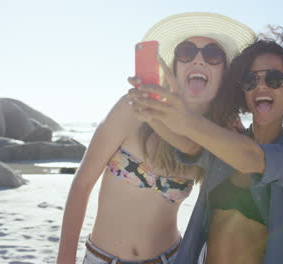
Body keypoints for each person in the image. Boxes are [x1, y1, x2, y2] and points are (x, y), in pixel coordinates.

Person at [56, 12, 255, 264]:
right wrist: (65, 259)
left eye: (212, 55)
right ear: (175, 66)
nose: (198, 60)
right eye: (186, 52)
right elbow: (82, 184)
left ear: (224, 74)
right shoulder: (135, 108)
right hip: (102, 259)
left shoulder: (219, 137)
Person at [128, 28, 283, 264]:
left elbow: (253, 159)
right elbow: (190, 145)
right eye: (250, 80)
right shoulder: (226, 141)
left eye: (274, 79)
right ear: (243, 91)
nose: (261, 86)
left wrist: (187, 120)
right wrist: (152, 112)